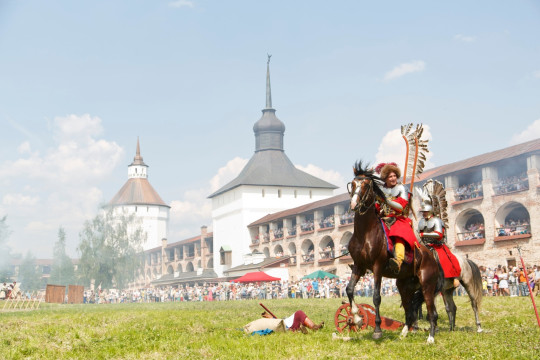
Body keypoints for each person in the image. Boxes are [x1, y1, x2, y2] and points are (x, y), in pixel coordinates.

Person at [375, 162, 419, 274]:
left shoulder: (401, 188)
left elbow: (401, 206)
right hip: (384, 218)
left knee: (399, 233)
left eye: (394, 176)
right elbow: (377, 206)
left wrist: (386, 201)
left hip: (398, 219)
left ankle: (398, 261)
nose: (393, 178)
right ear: (385, 178)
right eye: (390, 176)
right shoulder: (380, 190)